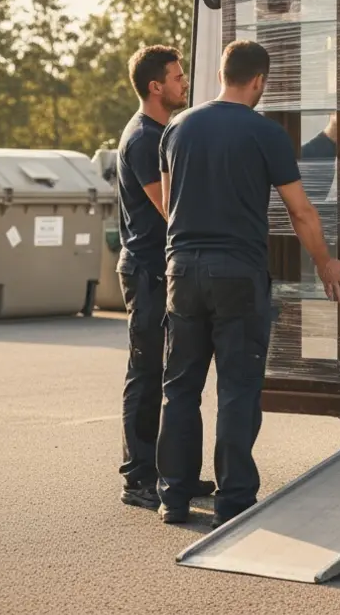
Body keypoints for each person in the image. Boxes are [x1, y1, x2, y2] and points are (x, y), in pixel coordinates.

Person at [155, 39, 340, 527]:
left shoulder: (176, 128)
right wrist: (325, 262)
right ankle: (234, 501)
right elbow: (301, 211)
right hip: (237, 274)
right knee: (238, 391)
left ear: (223, 73)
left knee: (179, 388)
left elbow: (167, 203)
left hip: (181, 270)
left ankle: (173, 499)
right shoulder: (265, 133)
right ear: (259, 81)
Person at [113, 44, 214, 510]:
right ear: (156, 87)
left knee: (172, 375)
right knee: (147, 374)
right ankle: (138, 479)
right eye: (177, 77)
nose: (184, 82)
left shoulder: (160, 132)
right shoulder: (144, 139)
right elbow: (169, 209)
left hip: (164, 272)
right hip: (148, 272)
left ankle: (174, 474)